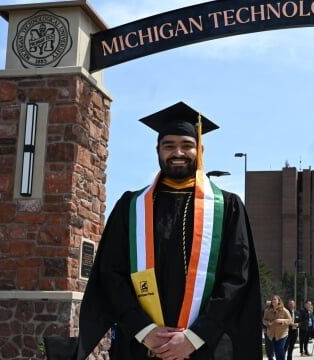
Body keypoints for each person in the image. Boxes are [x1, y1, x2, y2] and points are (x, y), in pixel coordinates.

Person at [75, 101, 262, 360]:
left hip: (205, 349)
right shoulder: (131, 207)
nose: (178, 153)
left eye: (187, 145)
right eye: (169, 146)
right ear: (158, 151)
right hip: (141, 347)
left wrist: (194, 337)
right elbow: (110, 273)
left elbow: (238, 279)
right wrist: (144, 330)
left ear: (200, 150)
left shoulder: (227, 207)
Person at [263, 295, 293, 360]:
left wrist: (281, 320)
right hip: (271, 334)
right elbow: (264, 320)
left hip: (282, 334)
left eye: (275, 299)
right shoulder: (267, 310)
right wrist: (268, 323)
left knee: (280, 349)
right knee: (276, 351)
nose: (273, 300)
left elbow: (290, 320)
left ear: (279, 301)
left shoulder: (284, 310)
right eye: (272, 299)